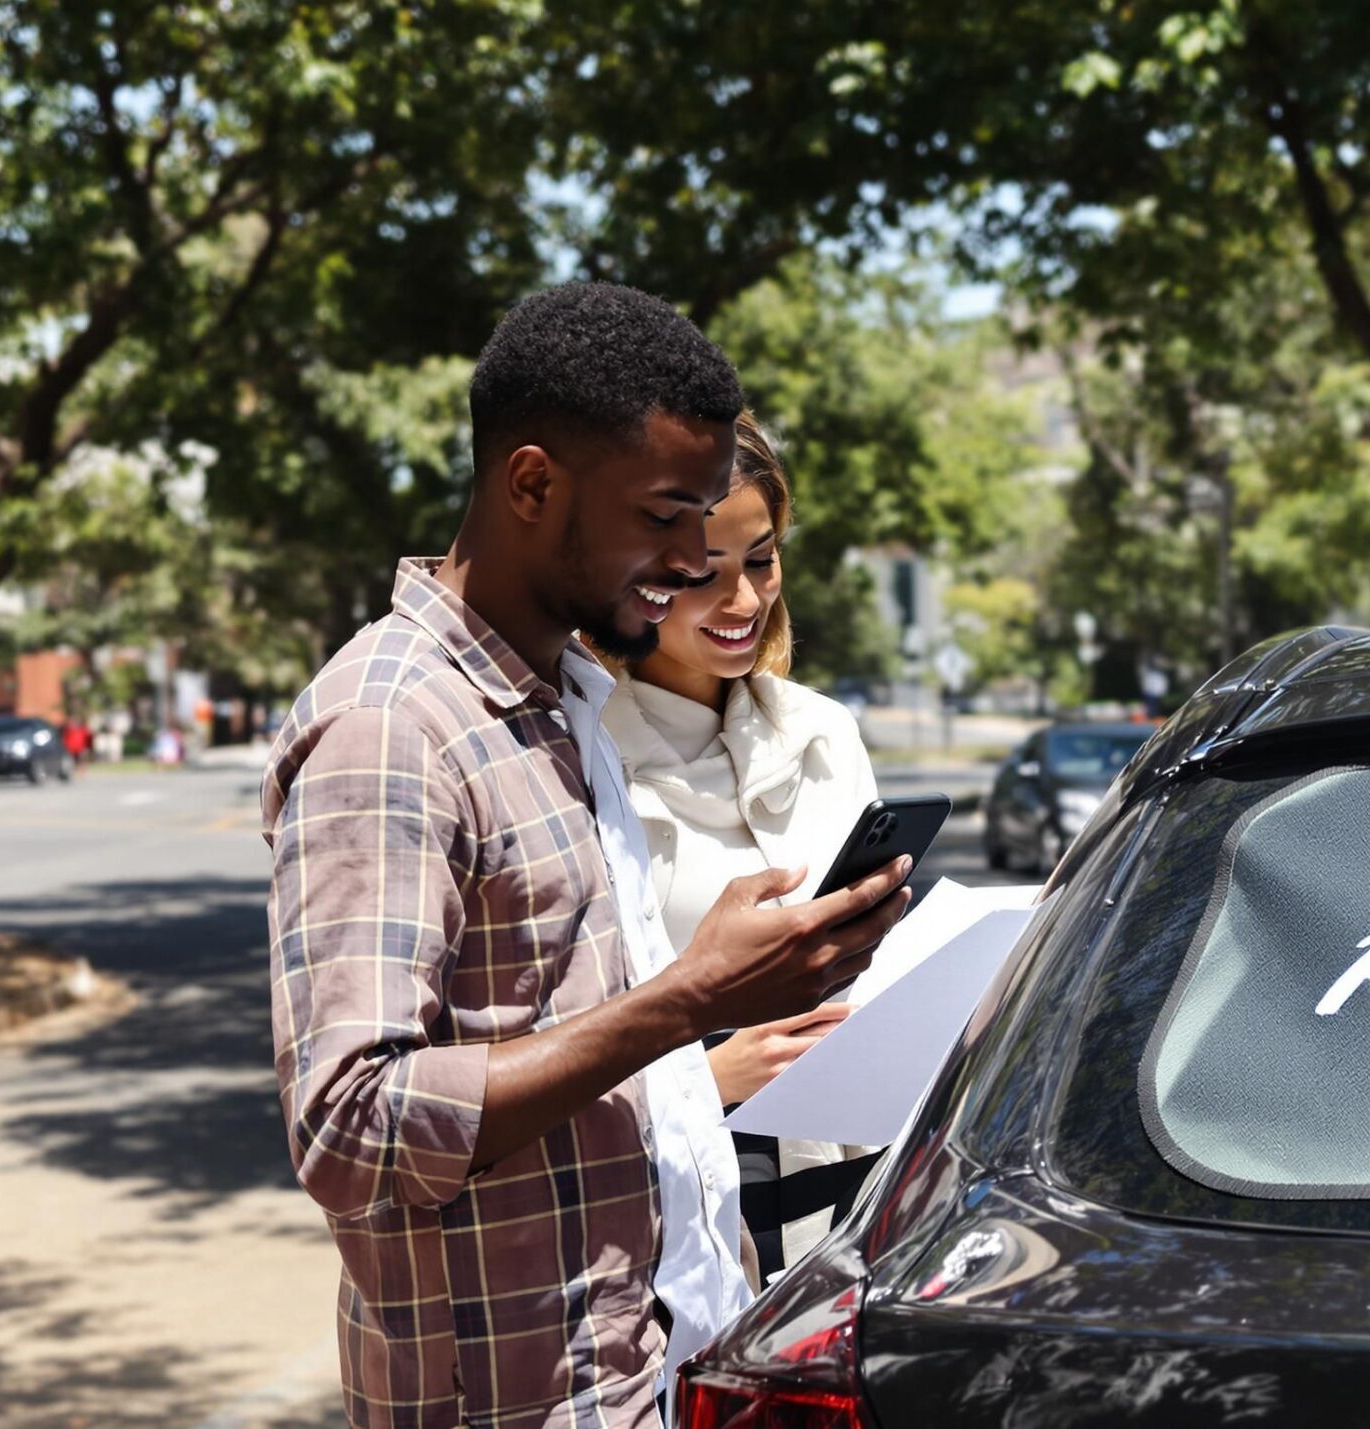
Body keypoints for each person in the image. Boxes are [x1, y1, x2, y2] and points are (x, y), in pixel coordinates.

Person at [262, 282, 913, 1429]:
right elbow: (351, 1130)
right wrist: (691, 998)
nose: (687, 562)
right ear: (529, 483)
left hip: (637, 1375)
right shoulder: (390, 727)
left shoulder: (559, 699)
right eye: (664, 517)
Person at [597, 411, 879, 1308]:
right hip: (679, 1210)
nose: (745, 601)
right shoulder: (578, 758)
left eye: (760, 559)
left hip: (860, 1181)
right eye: (703, 573)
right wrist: (704, 1081)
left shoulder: (825, 731)